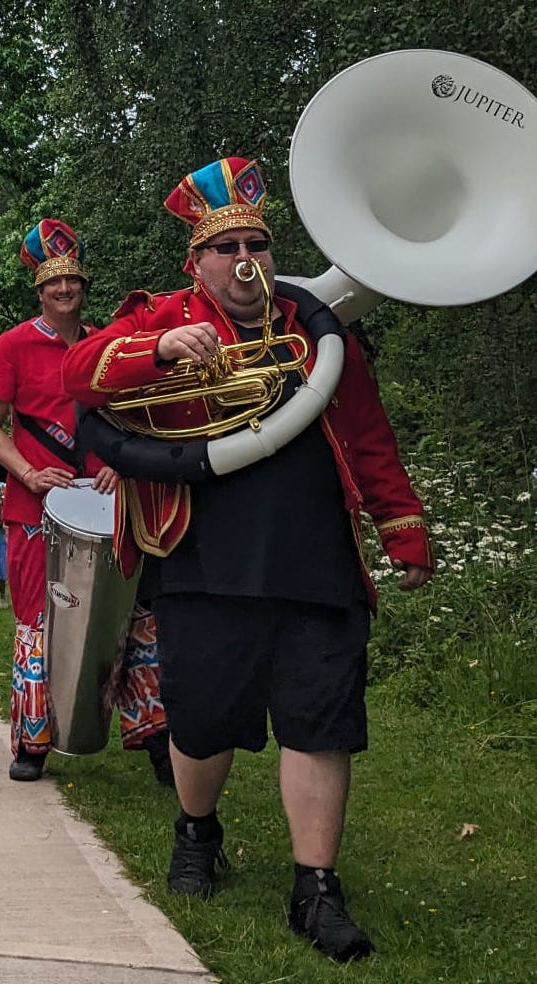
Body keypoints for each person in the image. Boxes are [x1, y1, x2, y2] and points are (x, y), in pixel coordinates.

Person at [61, 157, 433, 962]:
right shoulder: (159, 317)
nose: (244, 262)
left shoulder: (318, 329)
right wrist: (159, 347)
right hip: (201, 550)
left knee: (321, 719)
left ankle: (316, 889)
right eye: (225, 248)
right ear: (195, 262)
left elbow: (367, 436)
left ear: (273, 254)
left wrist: (402, 528)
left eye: (257, 246)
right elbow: (77, 377)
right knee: (202, 716)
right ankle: (197, 830)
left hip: (316, 555)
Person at [0, 218, 172, 784]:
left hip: (109, 503)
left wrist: (118, 461)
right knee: (39, 619)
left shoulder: (105, 341)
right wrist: (28, 472)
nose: (64, 291)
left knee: (132, 617)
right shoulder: (12, 344)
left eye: (73, 282)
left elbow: (133, 415)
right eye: (52, 284)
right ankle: (33, 740)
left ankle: (154, 734)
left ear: (83, 286)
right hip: (33, 507)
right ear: (38, 289)